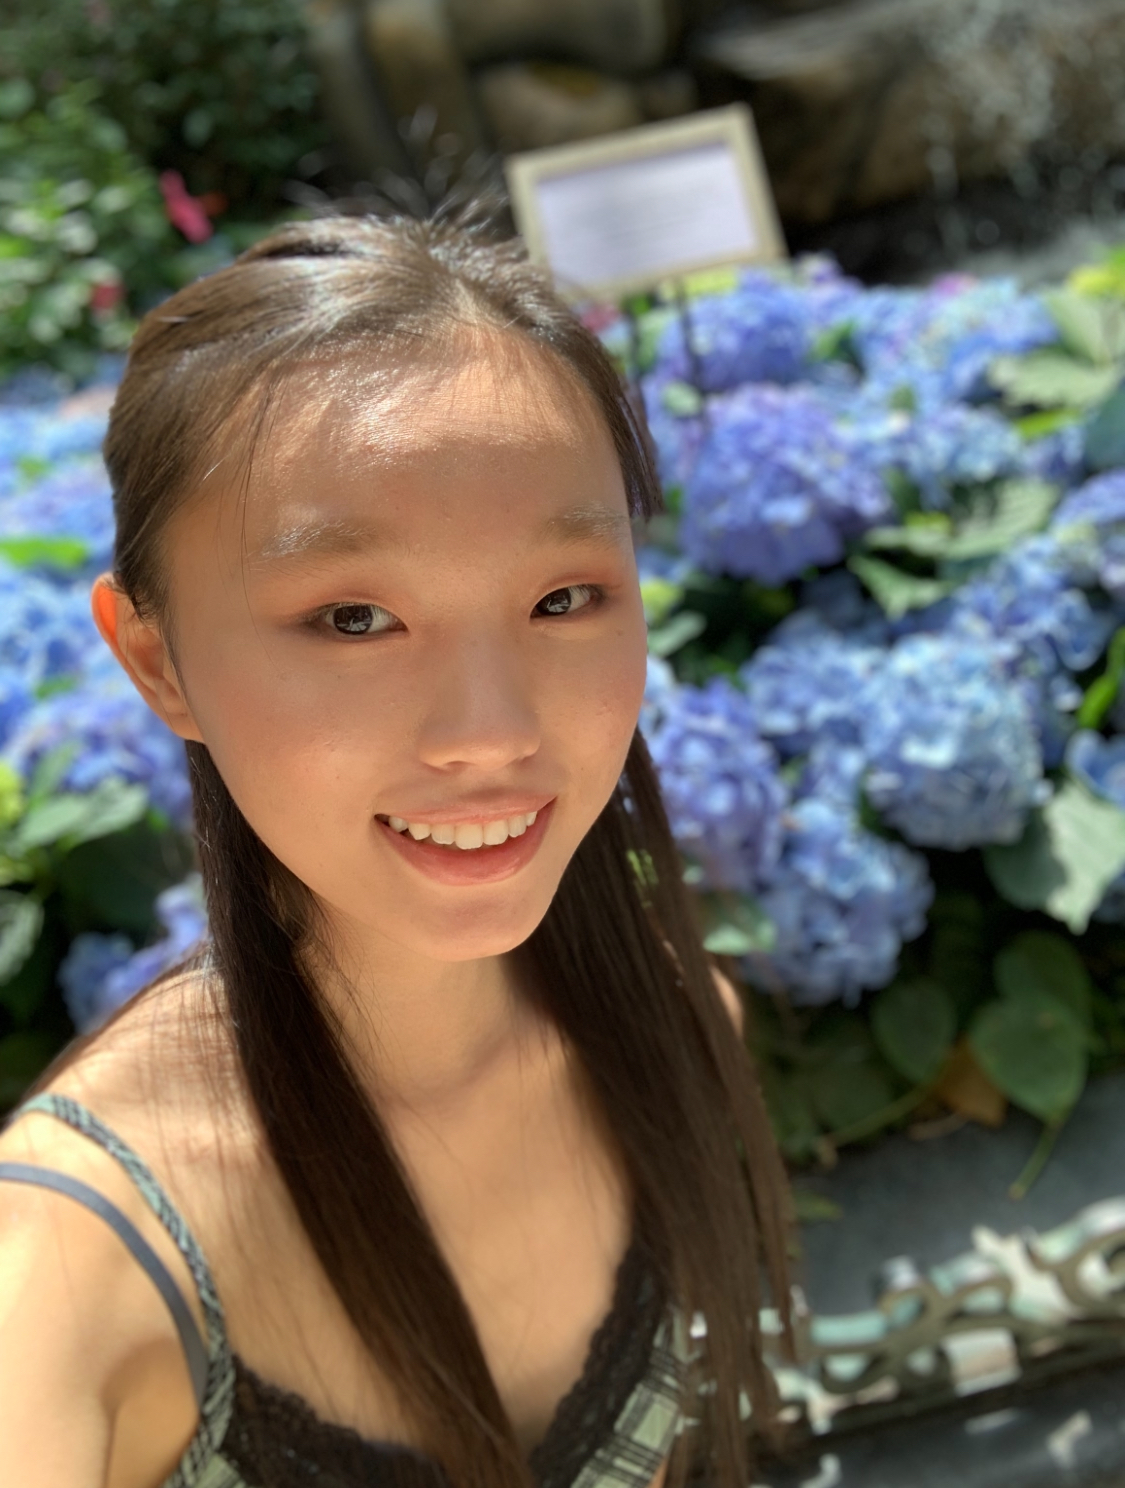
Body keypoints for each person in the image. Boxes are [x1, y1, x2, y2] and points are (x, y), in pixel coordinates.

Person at [0, 214, 793, 1488]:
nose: (491, 734)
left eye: (563, 598)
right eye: (354, 618)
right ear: (157, 660)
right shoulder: (67, 1272)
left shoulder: (674, 1027)